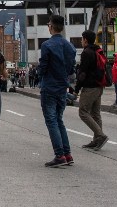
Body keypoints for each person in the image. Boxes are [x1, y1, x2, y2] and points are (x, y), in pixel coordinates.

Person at [38, 15, 76, 168]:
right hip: (62, 87)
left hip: (49, 86)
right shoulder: (70, 47)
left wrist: (41, 78)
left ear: (51, 27)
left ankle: (59, 155)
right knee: (59, 120)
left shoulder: (47, 45)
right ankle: (67, 154)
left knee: (52, 121)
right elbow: (72, 69)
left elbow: (43, 67)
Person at [75, 30, 109, 150]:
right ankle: (96, 140)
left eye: (81, 39)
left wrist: (76, 89)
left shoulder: (87, 52)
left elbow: (82, 73)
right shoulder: (97, 50)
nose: (81, 41)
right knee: (95, 113)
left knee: (83, 112)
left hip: (90, 87)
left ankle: (100, 135)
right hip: (99, 86)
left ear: (85, 40)